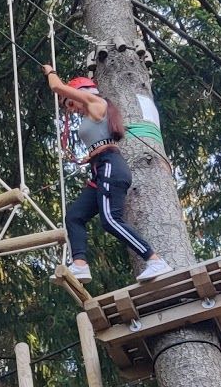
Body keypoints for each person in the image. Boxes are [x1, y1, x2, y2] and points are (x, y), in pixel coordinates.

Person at [45, 64, 172, 283]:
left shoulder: (96, 102)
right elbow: (101, 141)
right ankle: (80, 265)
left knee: (111, 220)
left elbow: (57, 87)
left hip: (110, 166)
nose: (71, 108)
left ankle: (154, 260)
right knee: (75, 216)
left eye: (70, 102)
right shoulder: (93, 112)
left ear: (82, 92)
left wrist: (49, 71)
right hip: (101, 167)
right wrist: (89, 158)